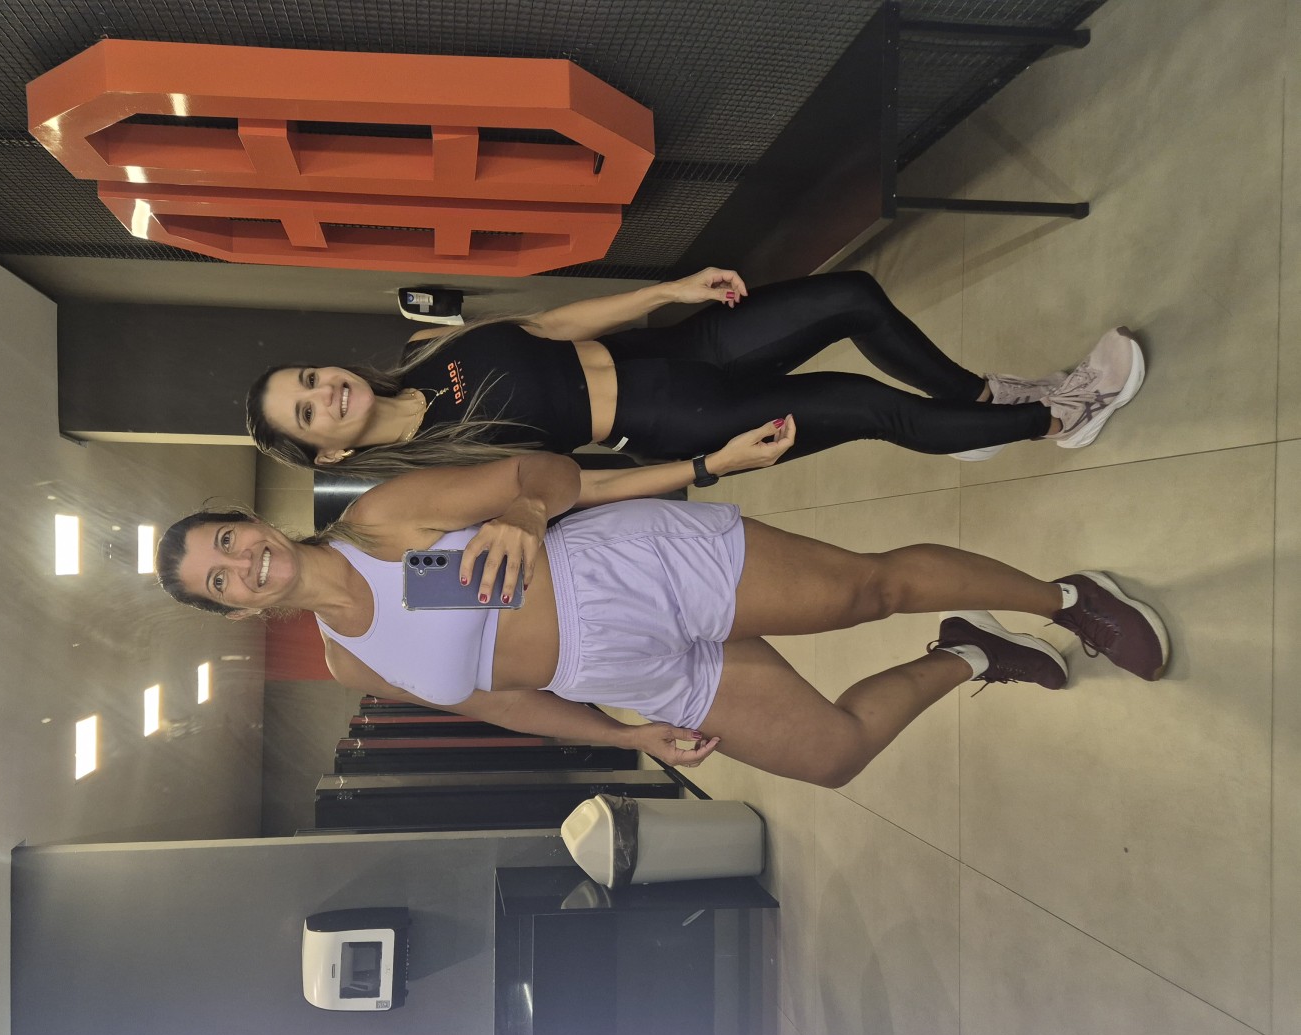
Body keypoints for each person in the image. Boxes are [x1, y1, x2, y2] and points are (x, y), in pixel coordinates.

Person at [156, 454, 1169, 784]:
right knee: (831, 754)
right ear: (228, 609)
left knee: (868, 590)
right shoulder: (348, 663)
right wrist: (622, 734)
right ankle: (971, 653)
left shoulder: (380, 523)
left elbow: (546, 473)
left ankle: (1069, 600)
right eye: (220, 580)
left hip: (632, 575)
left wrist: (522, 512)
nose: (242, 565)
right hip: (620, 673)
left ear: (251, 521)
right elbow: (501, 702)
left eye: (227, 541)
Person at [246, 269, 1145, 490]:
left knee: (852, 297)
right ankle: (1058, 417)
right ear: (325, 452)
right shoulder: (440, 468)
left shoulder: (425, 351)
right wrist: (713, 467)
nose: (325, 391)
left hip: (683, 348)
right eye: (307, 410)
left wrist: (666, 292)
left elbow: (549, 327)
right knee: (873, 407)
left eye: (309, 377)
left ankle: (980, 400)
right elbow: (579, 494)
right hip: (684, 416)